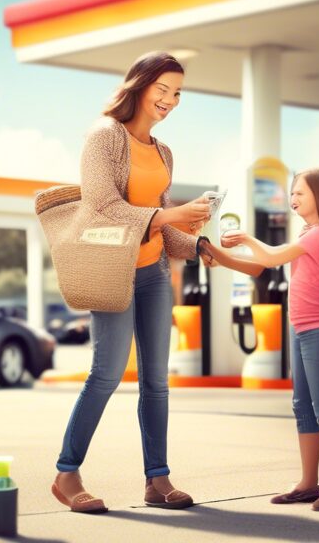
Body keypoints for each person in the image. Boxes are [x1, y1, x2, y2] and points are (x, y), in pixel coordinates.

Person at [51, 51, 214, 514]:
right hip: (113, 270)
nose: (170, 100)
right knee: (106, 373)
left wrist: (198, 244)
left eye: (177, 92)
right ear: (139, 86)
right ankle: (66, 473)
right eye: (162, 89)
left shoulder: (163, 152)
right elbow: (102, 205)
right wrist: (171, 214)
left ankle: (157, 480)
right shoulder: (104, 136)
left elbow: (160, 227)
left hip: (154, 273)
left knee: (157, 382)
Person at [219, 168, 319, 511]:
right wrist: (219, 255)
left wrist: (245, 239)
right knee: (302, 406)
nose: (293, 198)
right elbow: (262, 266)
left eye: (300, 193)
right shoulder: (307, 232)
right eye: (292, 193)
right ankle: (309, 483)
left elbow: (268, 258)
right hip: (300, 329)